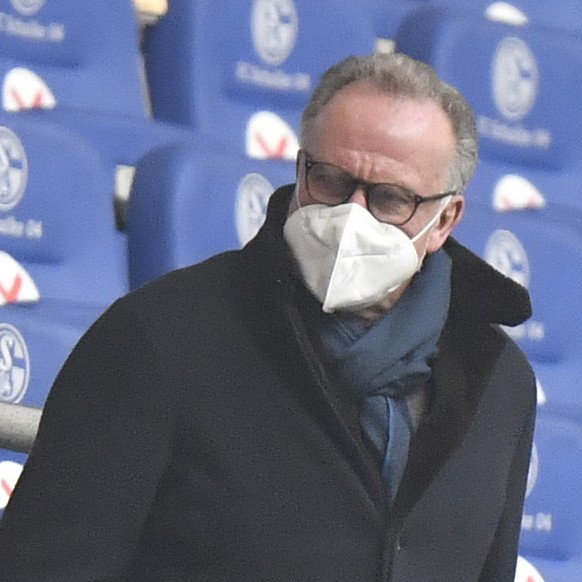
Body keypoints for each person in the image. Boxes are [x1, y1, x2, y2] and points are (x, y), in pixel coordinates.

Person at [0, 52, 536, 581]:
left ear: (445, 220)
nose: (351, 215)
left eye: (391, 199)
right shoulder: (158, 340)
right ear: (300, 167)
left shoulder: (499, 385)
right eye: (328, 180)